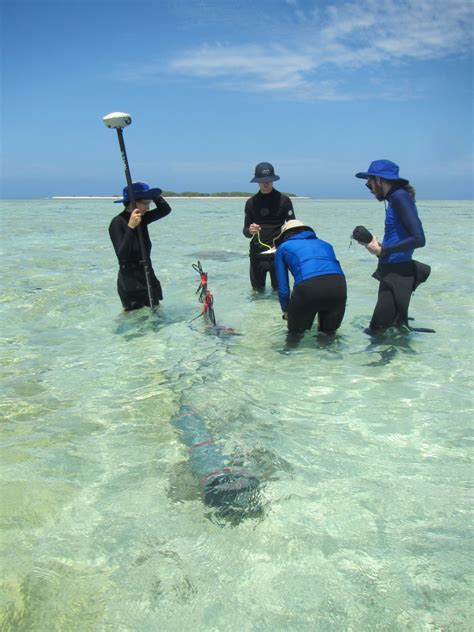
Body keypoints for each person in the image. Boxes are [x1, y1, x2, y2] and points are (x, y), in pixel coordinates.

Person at [354, 159, 430, 332]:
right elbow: (402, 237)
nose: (370, 189)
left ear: (379, 180)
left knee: (376, 331)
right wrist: (379, 245)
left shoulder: (399, 197)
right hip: (392, 271)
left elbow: (419, 238)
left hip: (398, 274)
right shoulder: (395, 198)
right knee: (394, 329)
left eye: (369, 184)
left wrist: (384, 250)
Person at [274, 220, 346, 336]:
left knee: (294, 337)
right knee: (328, 337)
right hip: (339, 286)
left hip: (308, 287)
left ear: (284, 235)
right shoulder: (326, 244)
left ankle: (288, 353)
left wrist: (286, 311)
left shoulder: (283, 247)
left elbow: (283, 287)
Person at [109, 181, 171, 311]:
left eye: (149, 203)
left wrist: (153, 194)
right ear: (132, 202)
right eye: (144, 203)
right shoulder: (117, 223)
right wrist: (131, 227)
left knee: (157, 320)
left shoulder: (143, 218)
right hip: (130, 283)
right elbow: (122, 256)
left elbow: (165, 210)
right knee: (134, 325)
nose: (148, 208)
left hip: (148, 276)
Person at [243, 162, 295, 290]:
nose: (266, 183)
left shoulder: (284, 200)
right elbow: (245, 231)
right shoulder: (251, 202)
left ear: (273, 180)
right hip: (257, 254)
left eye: (269, 180)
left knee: (280, 293)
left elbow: (293, 229)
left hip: (278, 253)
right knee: (257, 293)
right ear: (257, 181)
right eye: (262, 180)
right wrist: (250, 230)